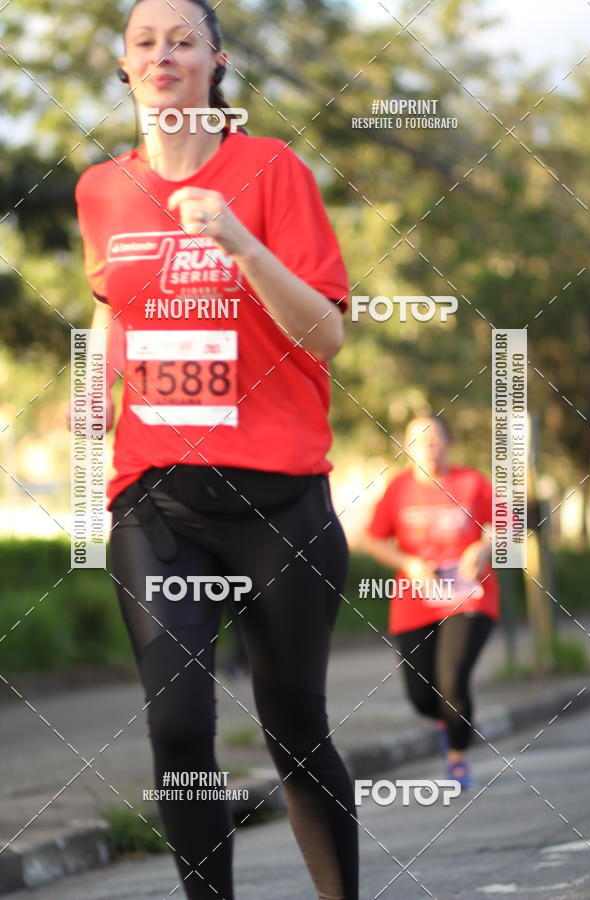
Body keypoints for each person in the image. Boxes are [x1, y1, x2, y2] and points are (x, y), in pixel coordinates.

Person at [73, 0, 358, 896]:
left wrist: (238, 242)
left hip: (279, 502)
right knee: (181, 726)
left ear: (215, 63)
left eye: (183, 40)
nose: (163, 54)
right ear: (126, 67)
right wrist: (93, 376)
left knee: (294, 728)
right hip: (158, 499)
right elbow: (115, 299)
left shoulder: (272, 172)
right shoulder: (100, 188)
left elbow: (326, 336)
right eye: (145, 41)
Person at [362, 414, 499, 788]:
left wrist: (483, 547)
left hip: (469, 597)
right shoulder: (397, 489)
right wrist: (408, 562)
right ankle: (446, 720)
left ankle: (456, 759)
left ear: (449, 443)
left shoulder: (472, 483)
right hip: (416, 600)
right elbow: (372, 539)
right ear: (406, 448)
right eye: (419, 441)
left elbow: (506, 525)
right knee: (423, 696)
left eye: (435, 439)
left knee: (451, 682)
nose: (428, 447)